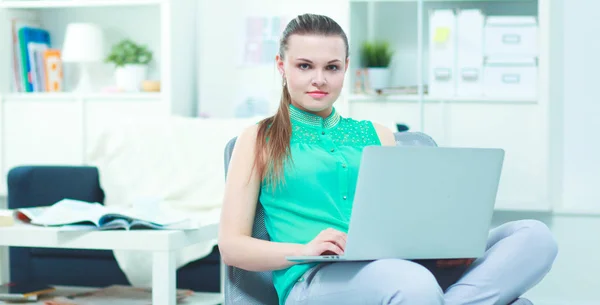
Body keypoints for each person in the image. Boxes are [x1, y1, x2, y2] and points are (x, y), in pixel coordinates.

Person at [218, 13, 558, 305]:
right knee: (411, 282)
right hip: (314, 278)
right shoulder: (258, 139)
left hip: (396, 266)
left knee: (534, 237)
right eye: (305, 66)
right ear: (282, 66)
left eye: (331, 67)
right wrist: (305, 249)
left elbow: (404, 220)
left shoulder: (379, 134)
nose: (319, 79)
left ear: (346, 68)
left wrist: (440, 246)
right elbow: (232, 247)